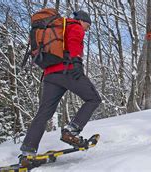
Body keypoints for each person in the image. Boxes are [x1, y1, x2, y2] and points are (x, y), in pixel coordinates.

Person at [19, 10, 101, 165]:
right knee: (93, 99)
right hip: (67, 70)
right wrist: (77, 62)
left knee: (44, 113)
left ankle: (27, 151)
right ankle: (71, 131)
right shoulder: (74, 26)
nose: (86, 30)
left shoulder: (56, 27)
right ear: (82, 21)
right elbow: (74, 41)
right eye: (87, 26)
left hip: (50, 75)